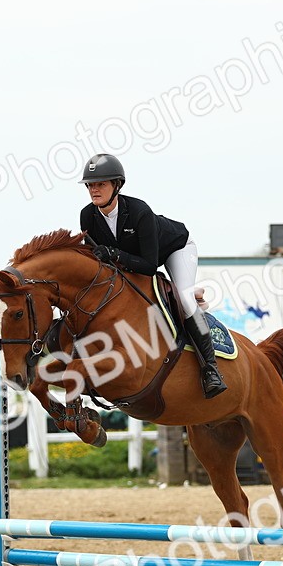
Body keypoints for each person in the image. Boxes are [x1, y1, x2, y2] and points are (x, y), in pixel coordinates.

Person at [79, 153, 227, 399]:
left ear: (117, 185)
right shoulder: (87, 216)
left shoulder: (139, 211)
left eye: (101, 184)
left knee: (185, 299)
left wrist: (115, 254)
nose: (94, 190)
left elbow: (149, 265)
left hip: (174, 249)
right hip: (133, 261)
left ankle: (211, 369)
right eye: (90, 185)